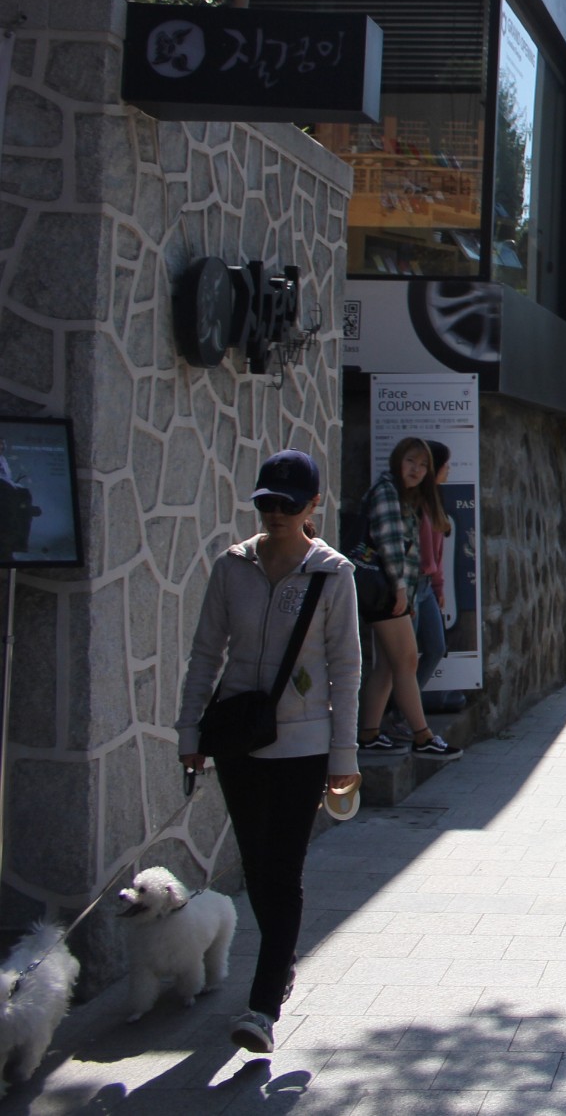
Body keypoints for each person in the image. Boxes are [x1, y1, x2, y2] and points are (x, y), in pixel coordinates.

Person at [176, 450, 360, 1054]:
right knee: (256, 868)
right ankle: (280, 963)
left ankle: (261, 1007)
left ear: (313, 506)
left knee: (282, 870)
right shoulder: (232, 566)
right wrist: (189, 735)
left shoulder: (332, 574)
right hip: (238, 739)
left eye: (288, 503)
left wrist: (344, 756)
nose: (276, 513)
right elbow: (206, 654)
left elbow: (346, 669)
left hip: (304, 745)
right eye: (266, 503)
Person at [357, 438, 460, 759]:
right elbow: (390, 546)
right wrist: (402, 591)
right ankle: (421, 735)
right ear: (397, 462)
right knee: (406, 660)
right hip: (389, 590)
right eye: (410, 462)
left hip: (394, 590)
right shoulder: (387, 492)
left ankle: (369, 733)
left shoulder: (403, 494)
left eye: (423, 465)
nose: (416, 470)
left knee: (389, 666)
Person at [412, 440, 454, 693]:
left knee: (436, 648)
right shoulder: (415, 503)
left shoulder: (434, 501)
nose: (449, 469)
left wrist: (438, 588)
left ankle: (402, 707)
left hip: (427, 586)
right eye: (445, 464)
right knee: (401, 658)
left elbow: (437, 553)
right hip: (411, 584)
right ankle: (400, 709)